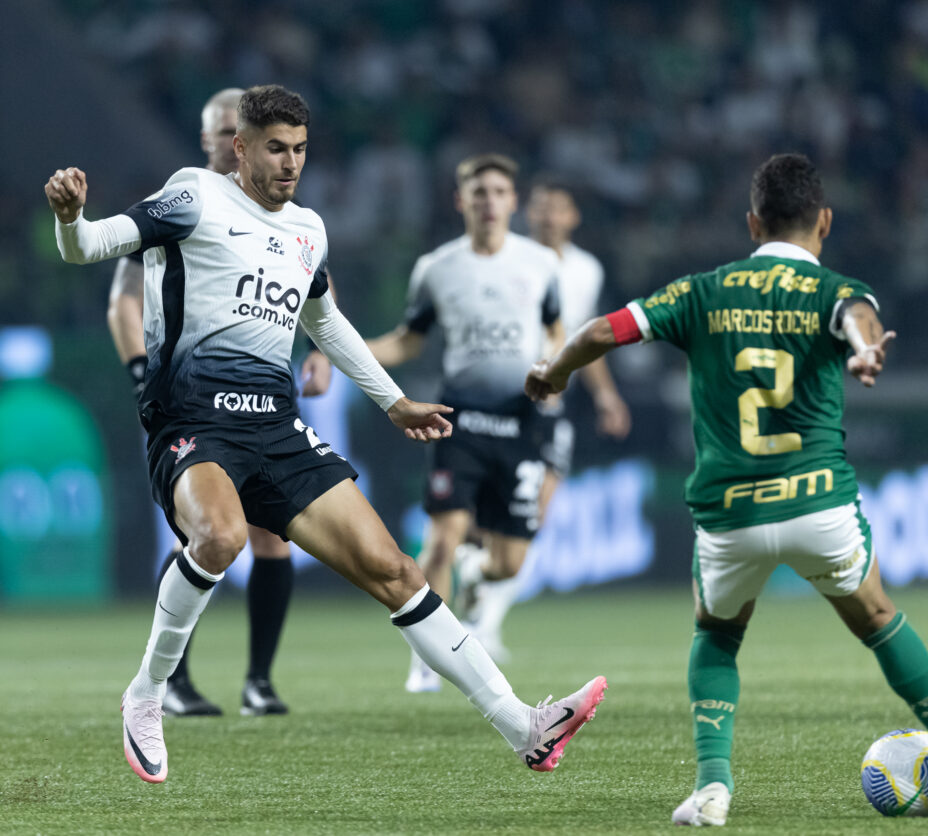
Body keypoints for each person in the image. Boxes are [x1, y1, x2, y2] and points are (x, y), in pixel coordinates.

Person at [46, 85, 605, 785]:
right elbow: (89, 246)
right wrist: (72, 219)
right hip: (192, 421)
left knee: (397, 572)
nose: (289, 164)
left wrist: (394, 401)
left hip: (275, 429)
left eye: (300, 150)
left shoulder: (308, 228)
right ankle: (147, 694)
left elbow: (327, 322)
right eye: (275, 148)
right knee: (218, 538)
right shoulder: (193, 195)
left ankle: (522, 723)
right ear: (241, 147)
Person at [525, 153, 928, 826]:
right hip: (819, 504)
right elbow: (857, 316)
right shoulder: (836, 288)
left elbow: (605, 330)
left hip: (731, 514)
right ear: (825, 221)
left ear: (753, 223)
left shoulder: (701, 290)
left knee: (717, 636)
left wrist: (555, 370)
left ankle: (713, 787)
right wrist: (865, 350)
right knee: (879, 619)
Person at [107, 87, 331, 717]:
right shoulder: (182, 205)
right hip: (189, 402)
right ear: (222, 140)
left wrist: (322, 352)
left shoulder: (284, 215)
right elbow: (122, 298)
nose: (218, 137)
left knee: (270, 542)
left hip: (261, 402)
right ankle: (169, 681)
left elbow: (314, 296)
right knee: (205, 538)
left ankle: (259, 679)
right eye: (213, 129)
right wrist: (137, 371)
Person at [366, 153, 565, 692]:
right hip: (460, 421)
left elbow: (556, 331)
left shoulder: (541, 264)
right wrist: (352, 351)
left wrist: (557, 370)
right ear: (462, 201)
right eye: (479, 192)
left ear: (513, 200)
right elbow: (410, 338)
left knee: (507, 564)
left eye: (499, 191)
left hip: (521, 423)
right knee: (441, 541)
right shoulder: (437, 268)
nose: (489, 201)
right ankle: (425, 658)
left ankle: (477, 578)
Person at [457, 176, 632, 659]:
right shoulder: (505, 258)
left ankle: (484, 623)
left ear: (573, 216)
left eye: (558, 208)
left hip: (548, 407)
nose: (548, 217)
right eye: (540, 208)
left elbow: (585, 341)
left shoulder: (586, 270)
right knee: (483, 523)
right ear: (525, 213)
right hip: (496, 404)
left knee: (532, 519)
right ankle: (472, 582)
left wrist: (607, 397)